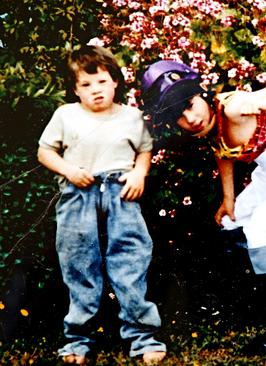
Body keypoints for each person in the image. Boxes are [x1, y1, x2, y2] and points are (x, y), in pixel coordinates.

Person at [140, 60, 266, 352]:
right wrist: (229, 200)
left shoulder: (234, 106)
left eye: (190, 104)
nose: (190, 118)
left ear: (201, 93)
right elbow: (223, 150)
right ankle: (255, 304)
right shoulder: (212, 122)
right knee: (232, 221)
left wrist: (265, 98)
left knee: (260, 232)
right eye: (179, 115)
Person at [37, 45, 166, 365]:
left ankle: (142, 337)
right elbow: (45, 152)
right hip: (78, 195)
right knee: (79, 265)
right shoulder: (65, 115)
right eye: (86, 84)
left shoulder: (131, 116)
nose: (95, 90)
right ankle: (78, 341)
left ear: (115, 82)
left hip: (121, 195)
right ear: (74, 89)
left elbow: (144, 151)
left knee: (130, 262)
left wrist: (139, 173)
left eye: (102, 82)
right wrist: (68, 170)